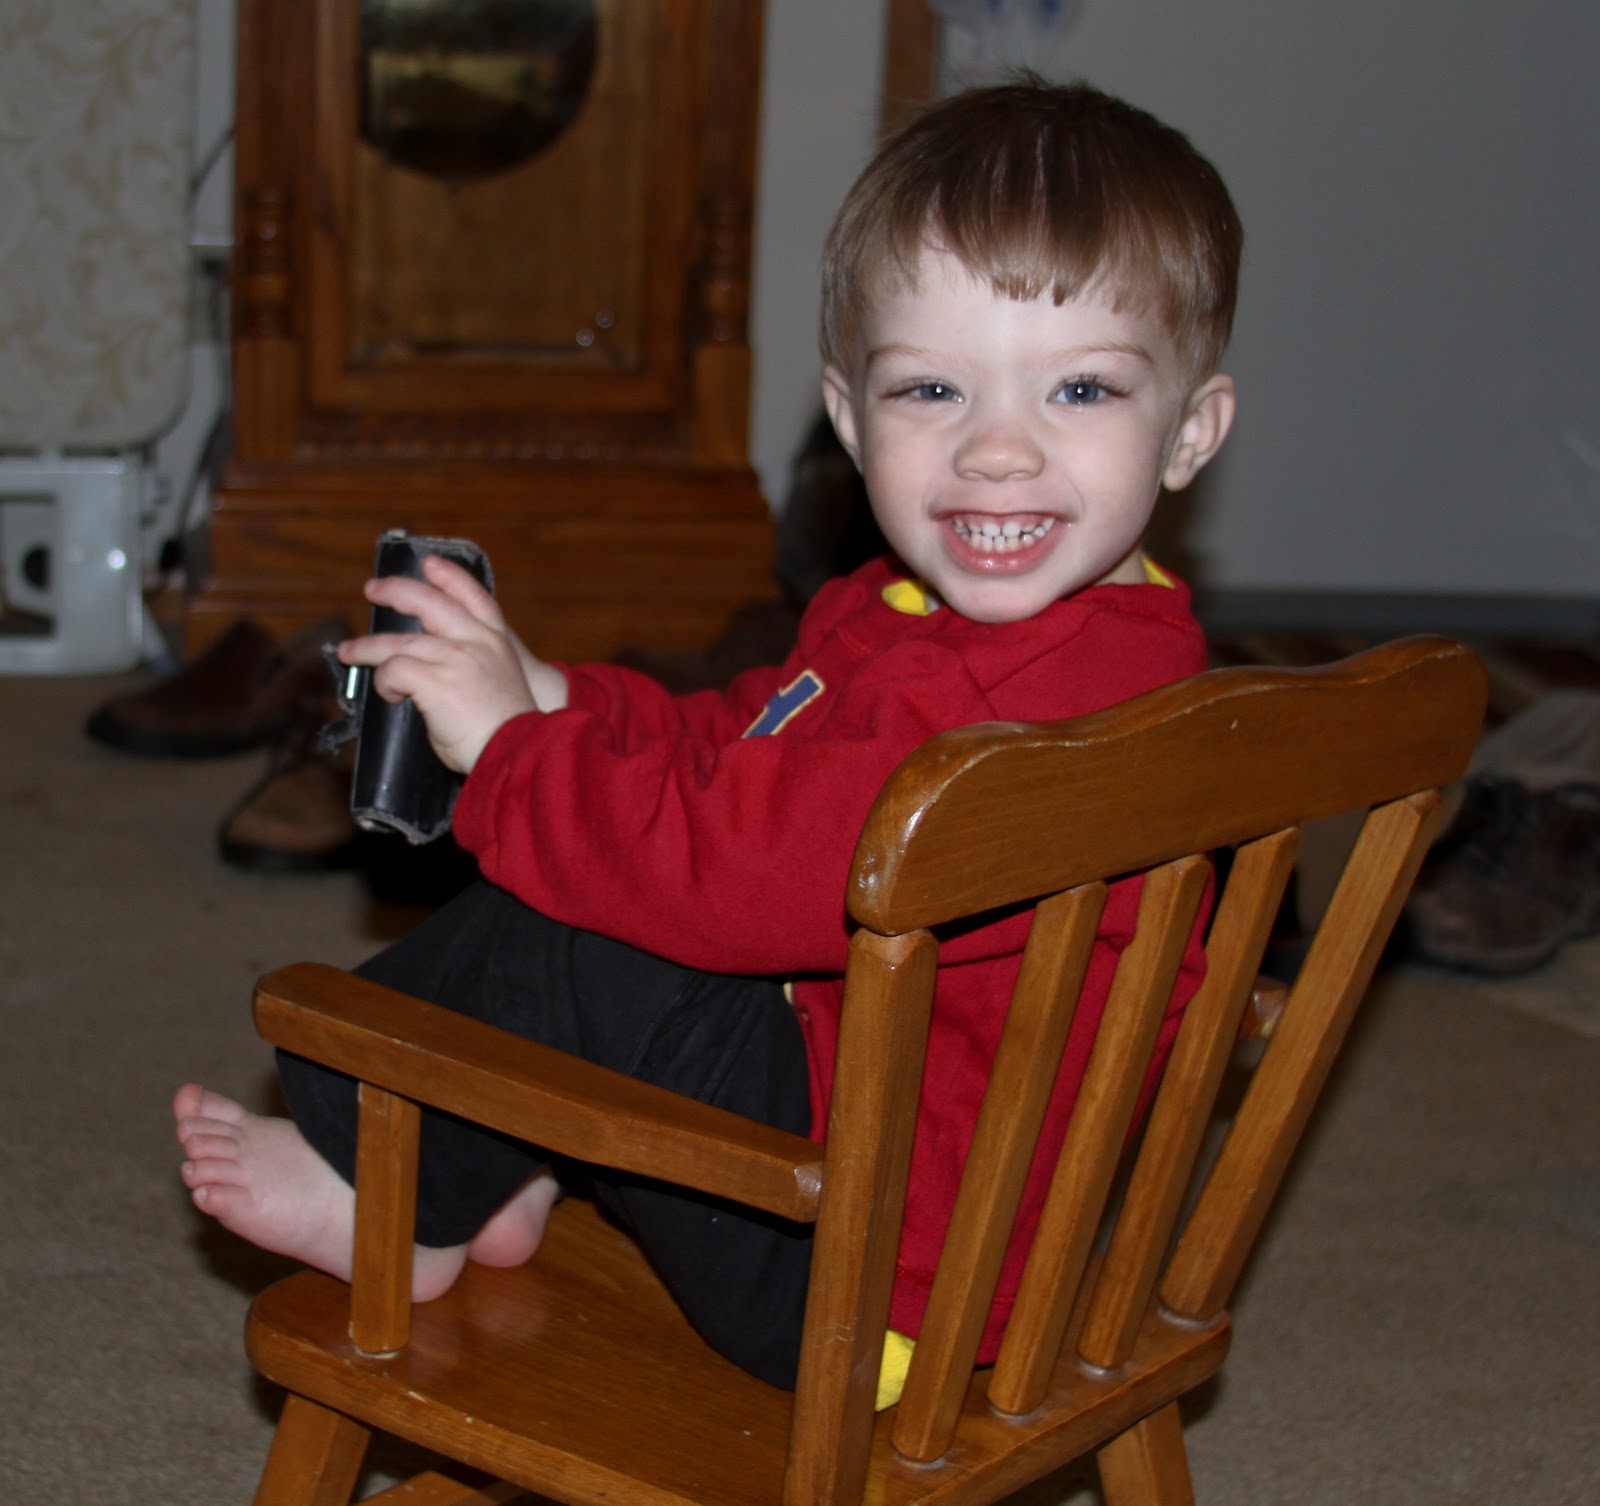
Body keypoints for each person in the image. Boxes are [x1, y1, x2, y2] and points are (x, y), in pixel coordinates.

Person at [174, 75, 1242, 1398]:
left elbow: (722, 876)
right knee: (614, 847)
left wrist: (512, 756)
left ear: (1190, 431)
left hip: (865, 1279)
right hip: (863, 1156)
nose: (999, 451)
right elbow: (748, 747)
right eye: (933, 390)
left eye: (1079, 389)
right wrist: (557, 700)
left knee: (593, 918)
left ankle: (382, 1181)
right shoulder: (930, 616)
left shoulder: (1041, 730)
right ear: (849, 419)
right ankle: (489, 1160)